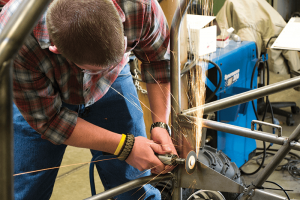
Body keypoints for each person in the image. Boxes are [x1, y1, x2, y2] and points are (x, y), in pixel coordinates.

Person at [0, 0, 177, 199]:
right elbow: (50, 121)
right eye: (93, 70)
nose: (96, 77)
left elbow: (158, 59)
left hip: (114, 80)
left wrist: (160, 123)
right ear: (56, 48)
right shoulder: (14, 36)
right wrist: (126, 147)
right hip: (41, 96)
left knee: (136, 186)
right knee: (25, 190)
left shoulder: (140, 5)